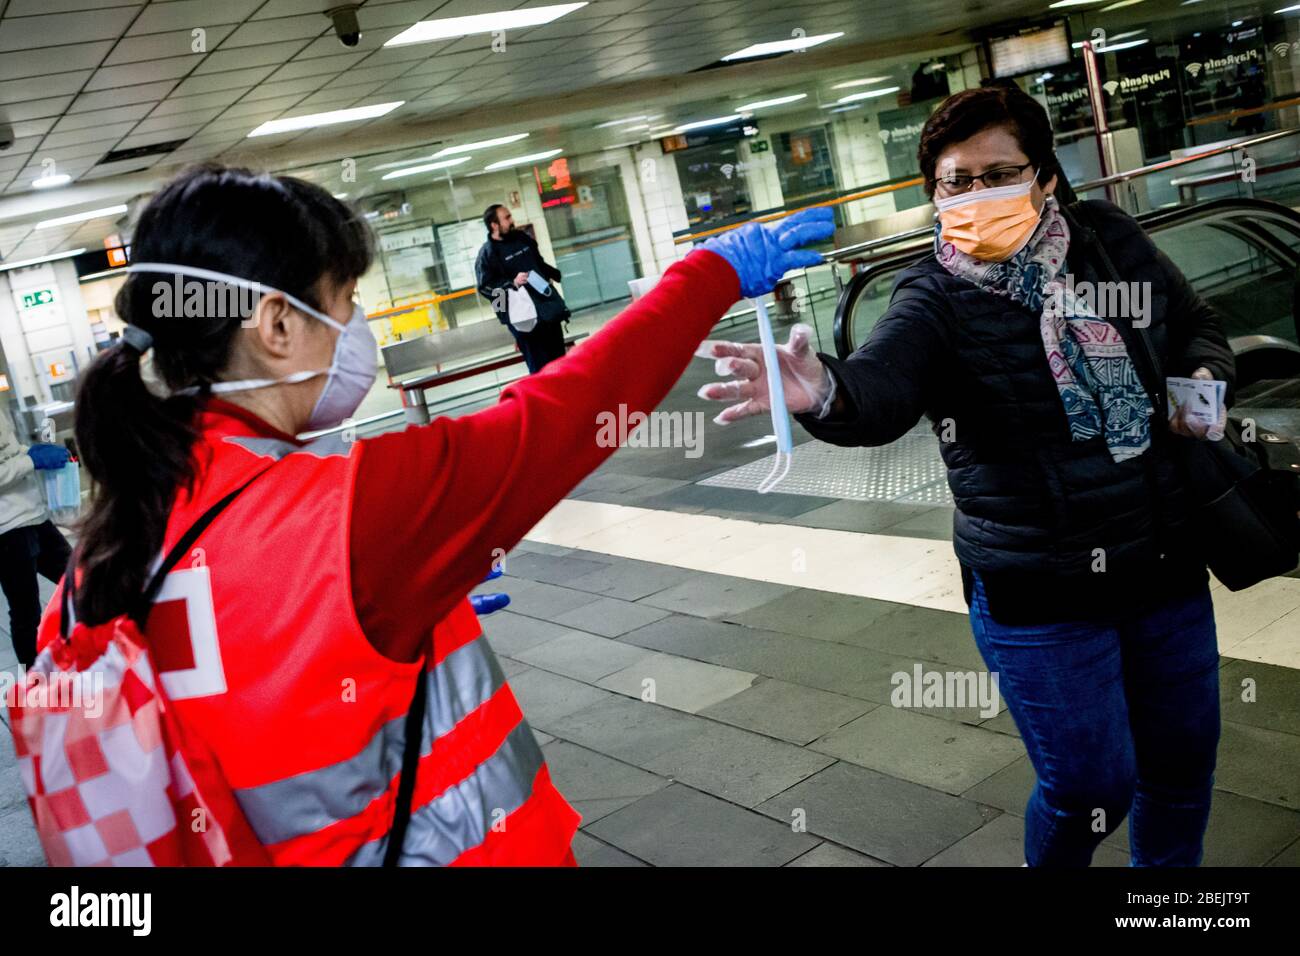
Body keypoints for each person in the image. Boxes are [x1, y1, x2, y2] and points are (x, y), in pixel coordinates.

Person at [32, 164, 831, 866]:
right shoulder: (351, 510)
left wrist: (389, 631)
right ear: (276, 327)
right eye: (343, 301)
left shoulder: (103, 550)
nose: (357, 330)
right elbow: (562, 415)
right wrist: (709, 275)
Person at [699, 85, 1233, 867]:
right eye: (958, 181)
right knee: (1090, 789)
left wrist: (1200, 384)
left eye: (1000, 174)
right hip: (1039, 590)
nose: (978, 195)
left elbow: (1195, 326)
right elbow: (882, 387)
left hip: (1164, 562)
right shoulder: (934, 297)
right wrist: (826, 391)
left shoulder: (1108, 244)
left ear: (1045, 177)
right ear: (934, 192)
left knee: (1182, 767)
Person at [0, 408, 70, 668]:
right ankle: (36, 685)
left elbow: (8, 452)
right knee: (26, 611)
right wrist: (31, 460)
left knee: (80, 580)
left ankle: (92, 652)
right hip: (7, 528)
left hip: (33, 515)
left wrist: (30, 453)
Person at [475, 203, 569, 374]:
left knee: (559, 364)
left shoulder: (522, 239)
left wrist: (552, 279)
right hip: (524, 319)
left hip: (548, 311)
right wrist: (512, 283)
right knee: (540, 370)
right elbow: (485, 287)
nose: (512, 221)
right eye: (507, 218)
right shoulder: (487, 254)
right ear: (494, 225)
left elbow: (539, 264)